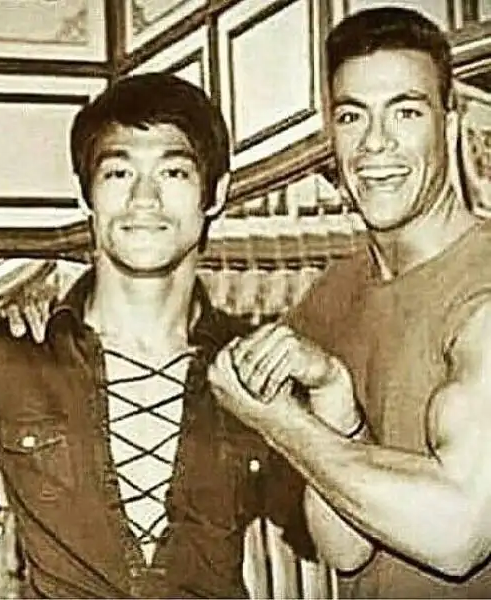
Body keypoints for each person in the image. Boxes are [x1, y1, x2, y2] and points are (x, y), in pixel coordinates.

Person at [0, 73, 331, 598]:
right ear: (87, 194)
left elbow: (337, 546)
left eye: (173, 171)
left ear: (215, 193)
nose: (144, 198)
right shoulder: (5, 352)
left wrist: (331, 394)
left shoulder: (256, 367)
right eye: (119, 172)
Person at [209, 6, 491, 599]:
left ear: (450, 125)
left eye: (406, 112)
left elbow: (460, 535)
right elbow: (345, 549)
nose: (375, 143)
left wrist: (280, 421)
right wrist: (335, 399)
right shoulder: (332, 295)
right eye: (352, 116)